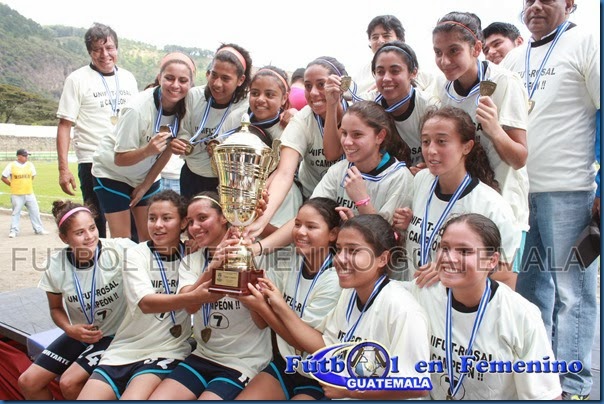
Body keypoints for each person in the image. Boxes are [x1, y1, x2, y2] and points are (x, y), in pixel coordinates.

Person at [502, 0, 600, 399]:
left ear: (570, 4)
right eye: (529, 0)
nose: (536, 5)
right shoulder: (512, 56)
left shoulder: (587, 42)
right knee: (530, 294)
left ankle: (574, 385)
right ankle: (540, 381)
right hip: (522, 194)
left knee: (573, 292)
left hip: (570, 190)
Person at [250, 214, 430, 399]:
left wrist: (349, 388)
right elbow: (325, 346)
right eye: (339, 250)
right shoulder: (350, 293)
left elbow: (417, 384)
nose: (340, 259)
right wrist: (277, 305)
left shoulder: (402, 309)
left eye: (353, 251)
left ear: (382, 259)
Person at [405, 213, 562, 400]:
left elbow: (546, 395)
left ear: (492, 261)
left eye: (464, 251)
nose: (449, 258)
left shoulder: (521, 315)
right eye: (444, 248)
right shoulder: (423, 292)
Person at [77, 191, 206, 400]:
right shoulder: (136, 255)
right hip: (125, 347)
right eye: (152, 218)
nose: (157, 225)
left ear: (183, 223)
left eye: (167, 218)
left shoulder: (192, 256)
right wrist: (193, 297)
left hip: (167, 349)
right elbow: (146, 303)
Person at [431, 12, 529, 278]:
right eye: (438, 52)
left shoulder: (505, 82)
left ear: (476, 48)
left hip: (504, 205)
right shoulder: (443, 86)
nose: (445, 60)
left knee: (501, 290)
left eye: (454, 51)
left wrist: (495, 130)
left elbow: (519, 158)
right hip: (465, 205)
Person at [148, 193, 271, 400]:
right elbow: (190, 306)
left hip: (242, 360)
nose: (195, 227)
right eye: (190, 222)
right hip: (203, 355)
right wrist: (213, 268)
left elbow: (262, 323)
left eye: (203, 218)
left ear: (224, 217)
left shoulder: (253, 256)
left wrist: (243, 283)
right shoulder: (192, 261)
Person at [17, 201, 135, 400]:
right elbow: (55, 309)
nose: (90, 237)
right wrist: (70, 329)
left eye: (92, 228)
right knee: (28, 382)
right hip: (80, 333)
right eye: (80, 232)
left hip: (117, 334)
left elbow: (158, 254)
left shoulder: (119, 249)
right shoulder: (55, 266)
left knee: (69, 383)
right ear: (64, 238)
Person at [394, 106, 521, 287]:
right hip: (417, 299)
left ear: (466, 147)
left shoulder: (492, 207)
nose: (431, 150)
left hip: (457, 308)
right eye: (426, 141)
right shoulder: (422, 180)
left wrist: (449, 270)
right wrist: (410, 223)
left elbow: (506, 277)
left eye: (442, 141)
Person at [235, 197, 342, 400]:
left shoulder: (335, 279)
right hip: (286, 365)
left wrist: (265, 307)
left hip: (319, 376)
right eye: (298, 224)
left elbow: (303, 344)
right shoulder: (290, 260)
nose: (301, 232)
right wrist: (245, 288)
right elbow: (261, 323)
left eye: (311, 227)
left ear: (333, 234)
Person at [91, 52, 195, 240]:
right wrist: (147, 151)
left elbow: (167, 150)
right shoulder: (137, 109)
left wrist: (145, 185)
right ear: (159, 78)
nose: (175, 85)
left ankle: (149, 270)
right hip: (113, 173)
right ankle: (121, 269)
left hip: (145, 176)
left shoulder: (186, 108)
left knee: (151, 238)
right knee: (122, 240)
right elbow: (120, 158)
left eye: (183, 80)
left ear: (190, 84)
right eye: (169, 78)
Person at [244, 57, 348, 238]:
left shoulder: (356, 114)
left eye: (321, 84)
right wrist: (262, 220)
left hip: (348, 200)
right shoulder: (302, 119)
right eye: (308, 86)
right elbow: (285, 173)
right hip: (314, 198)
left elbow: (333, 154)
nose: (313, 93)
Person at [56, 22, 139, 238]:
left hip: (125, 160)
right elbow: (65, 125)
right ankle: (96, 269)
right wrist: (63, 169)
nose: (104, 54)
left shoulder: (128, 79)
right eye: (97, 49)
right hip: (92, 161)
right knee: (94, 226)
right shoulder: (77, 79)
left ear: (117, 48)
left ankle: (130, 269)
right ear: (89, 52)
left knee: (132, 225)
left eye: (109, 47)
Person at [324, 41, 440, 172]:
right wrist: (332, 104)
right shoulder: (366, 105)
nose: (386, 78)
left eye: (395, 71)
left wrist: (430, 170)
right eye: (380, 72)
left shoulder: (429, 107)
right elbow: (332, 154)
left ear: (413, 72)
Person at [219, 66, 303, 237]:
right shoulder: (237, 118)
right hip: (239, 191)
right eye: (255, 93)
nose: (260, 100)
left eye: (270, 94)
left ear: (284, 98)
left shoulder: (290, 125)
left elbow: (285, 170)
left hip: (279, 193)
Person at [173, 43, 252, 198]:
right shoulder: (193, 96)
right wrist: (182, 142)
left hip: (226, 183)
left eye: (225, 78)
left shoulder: (247, 105)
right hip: (191, 177)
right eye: (214, 75)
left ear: (240, 79)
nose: (217, 83)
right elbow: (184, 130)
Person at [353, 15, 434, 95]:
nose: (380, 41)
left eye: (386, 36)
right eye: (375, 37)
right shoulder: (361, 74)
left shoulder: (421, 72)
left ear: (400, 39)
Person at [2, 149, 48, 238]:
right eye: (24, 156)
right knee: (16, 212)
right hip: (16, 194)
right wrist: (12, 185)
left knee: (35, 211)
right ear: (19, 156)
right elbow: (3, 177)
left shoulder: (30, 165)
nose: (26, 157)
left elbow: (33, 176)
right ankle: (14, 231)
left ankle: (39, 229)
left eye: (27, 156)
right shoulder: (11, 165)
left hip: (29, 193)